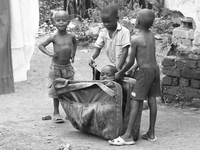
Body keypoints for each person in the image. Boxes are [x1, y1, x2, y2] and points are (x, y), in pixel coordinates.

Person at [108, 9, 161, 146]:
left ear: (138, 22)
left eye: (136, 17)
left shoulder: (135, 39)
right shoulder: (151, 35)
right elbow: (145, 57)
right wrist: (132, 70)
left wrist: (121, 73)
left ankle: (128, 135)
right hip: (154, 70)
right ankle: (151, 133)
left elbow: (131, 61)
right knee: (152, 99)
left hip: (144, 73)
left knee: (135, 100)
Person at [38, 10, 77, 123]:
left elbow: (75, 43)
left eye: (64, 20)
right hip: (56, 68)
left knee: (68, 89)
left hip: (68, 68)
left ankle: (69, 112)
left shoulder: (71, 36)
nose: (61, 22)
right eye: (58, 20)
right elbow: (41, 45)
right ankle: (56, 113)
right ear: (54, 22)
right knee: (56, 91)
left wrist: (73, 55)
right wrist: (50, 53)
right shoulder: (53, 37)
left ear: (68, 22)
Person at [89, 4, 131, 71]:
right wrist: (92, 58)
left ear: (117, 18)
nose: (106, 24)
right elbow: (98, 48)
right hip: (112, 68)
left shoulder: (124, 32)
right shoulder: (103, 32)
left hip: (125, 68)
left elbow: (125, 51)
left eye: (109, 22)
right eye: (104, 22)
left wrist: (119, 68)